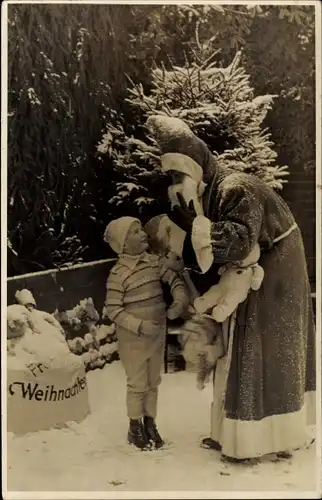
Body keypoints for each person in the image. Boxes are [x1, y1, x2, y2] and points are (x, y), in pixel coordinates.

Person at [148, 115, 316, 464]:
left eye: (178, 176)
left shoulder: (234, 187)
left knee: (253, 350)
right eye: (171, 178)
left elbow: (238, 241)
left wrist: (193, 232)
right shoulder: (213, 190)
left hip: (274, 273)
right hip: (259, 268)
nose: (175, 184)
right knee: (242, 349)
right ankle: (238, 433)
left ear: (195, 168)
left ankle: (254, 440)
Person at [102, 216, 189, 450]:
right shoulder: (118, 274)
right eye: (135, 232)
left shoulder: (154, 262)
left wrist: (179, 301)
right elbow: (114, 310)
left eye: (141, 229)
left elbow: (174, 280)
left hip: (157, 335)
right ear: (122, 243)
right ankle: (134, 427)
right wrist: (139, 326)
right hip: (133, 340)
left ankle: (151, 423)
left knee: (153, 382)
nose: (143, 234)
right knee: (137, 383)